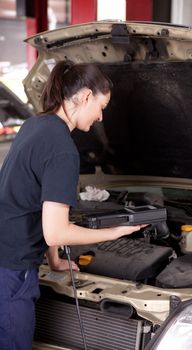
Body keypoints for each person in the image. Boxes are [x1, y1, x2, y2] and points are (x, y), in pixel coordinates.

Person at [0, 60, 143, 350]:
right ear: (86, 96)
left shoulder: (34, 125)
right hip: (12, 273)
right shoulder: (63, 150)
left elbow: (39, 204)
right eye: (101, 107)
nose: (101, 117)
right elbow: (55, 233)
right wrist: (114, 232)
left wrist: (54, 261)